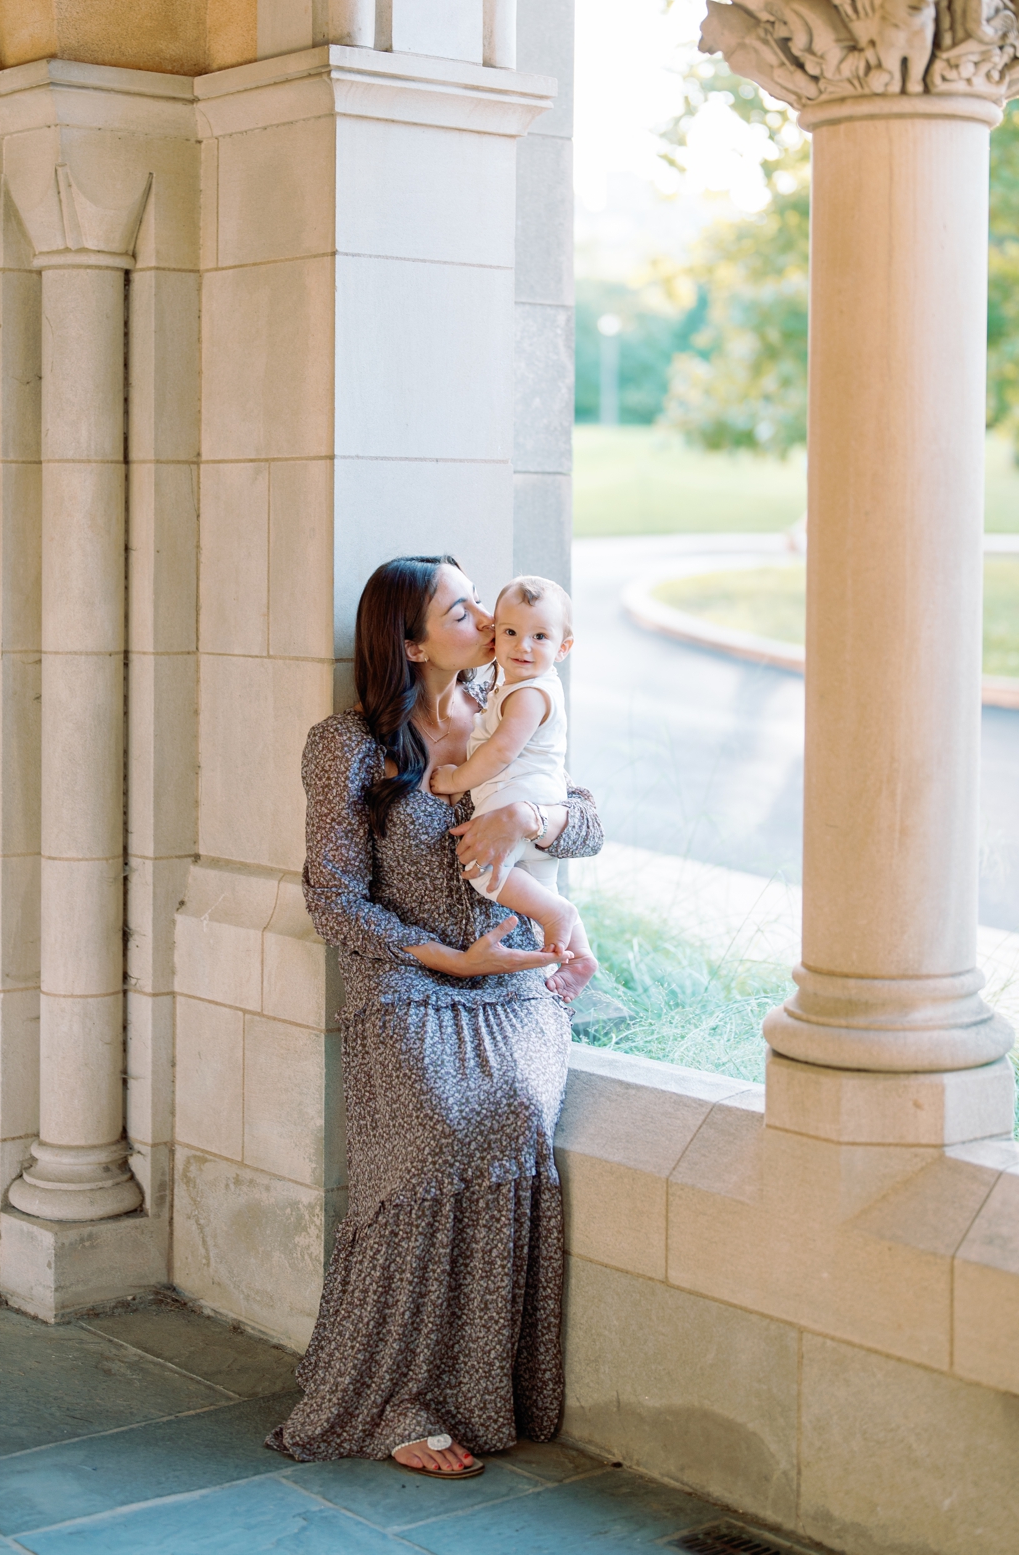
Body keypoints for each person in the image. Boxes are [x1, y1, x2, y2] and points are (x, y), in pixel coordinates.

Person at [266, 554, 602, 1478]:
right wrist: (448, 956)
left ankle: (484, 1389)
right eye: (465, 610)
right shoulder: (348, 744)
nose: (492, 623)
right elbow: (331, 899)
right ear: (413, 643)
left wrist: (526, 817)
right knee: (434, 1135)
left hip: (510, 986)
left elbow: (589, 824)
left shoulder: (516, 700)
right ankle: (397, 1399)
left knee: (513, 1119)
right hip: (411, 977)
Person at [429, 574, 594, 984]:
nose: (522, 646)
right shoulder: (516, 688)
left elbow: (500, 751)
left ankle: (558, 914)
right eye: (511, 632)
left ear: (564, 648)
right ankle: (580, 956)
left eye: (540, 636)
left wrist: (455, 779)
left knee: (484, 869)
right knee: (541, 887)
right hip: (536, 801)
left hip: (518, 796)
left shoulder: (528, 695)